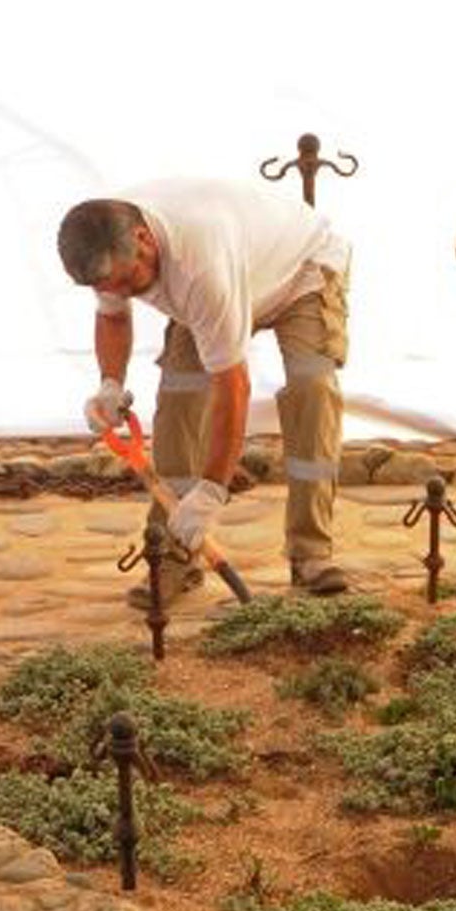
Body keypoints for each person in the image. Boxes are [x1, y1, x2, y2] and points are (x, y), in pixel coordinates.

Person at [56, 179, 353, 606]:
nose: (120, 294)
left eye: (126, 281)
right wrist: (110, 384)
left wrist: (212, 491)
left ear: (143, 240)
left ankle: (311, 556)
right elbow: (113, 319)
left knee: (312, 390)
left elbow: (233, 386)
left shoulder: (199, 268)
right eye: (108, 287)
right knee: (179, 401)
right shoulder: (107, 241)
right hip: (234, 270)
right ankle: (176, 559)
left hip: (300, 269)